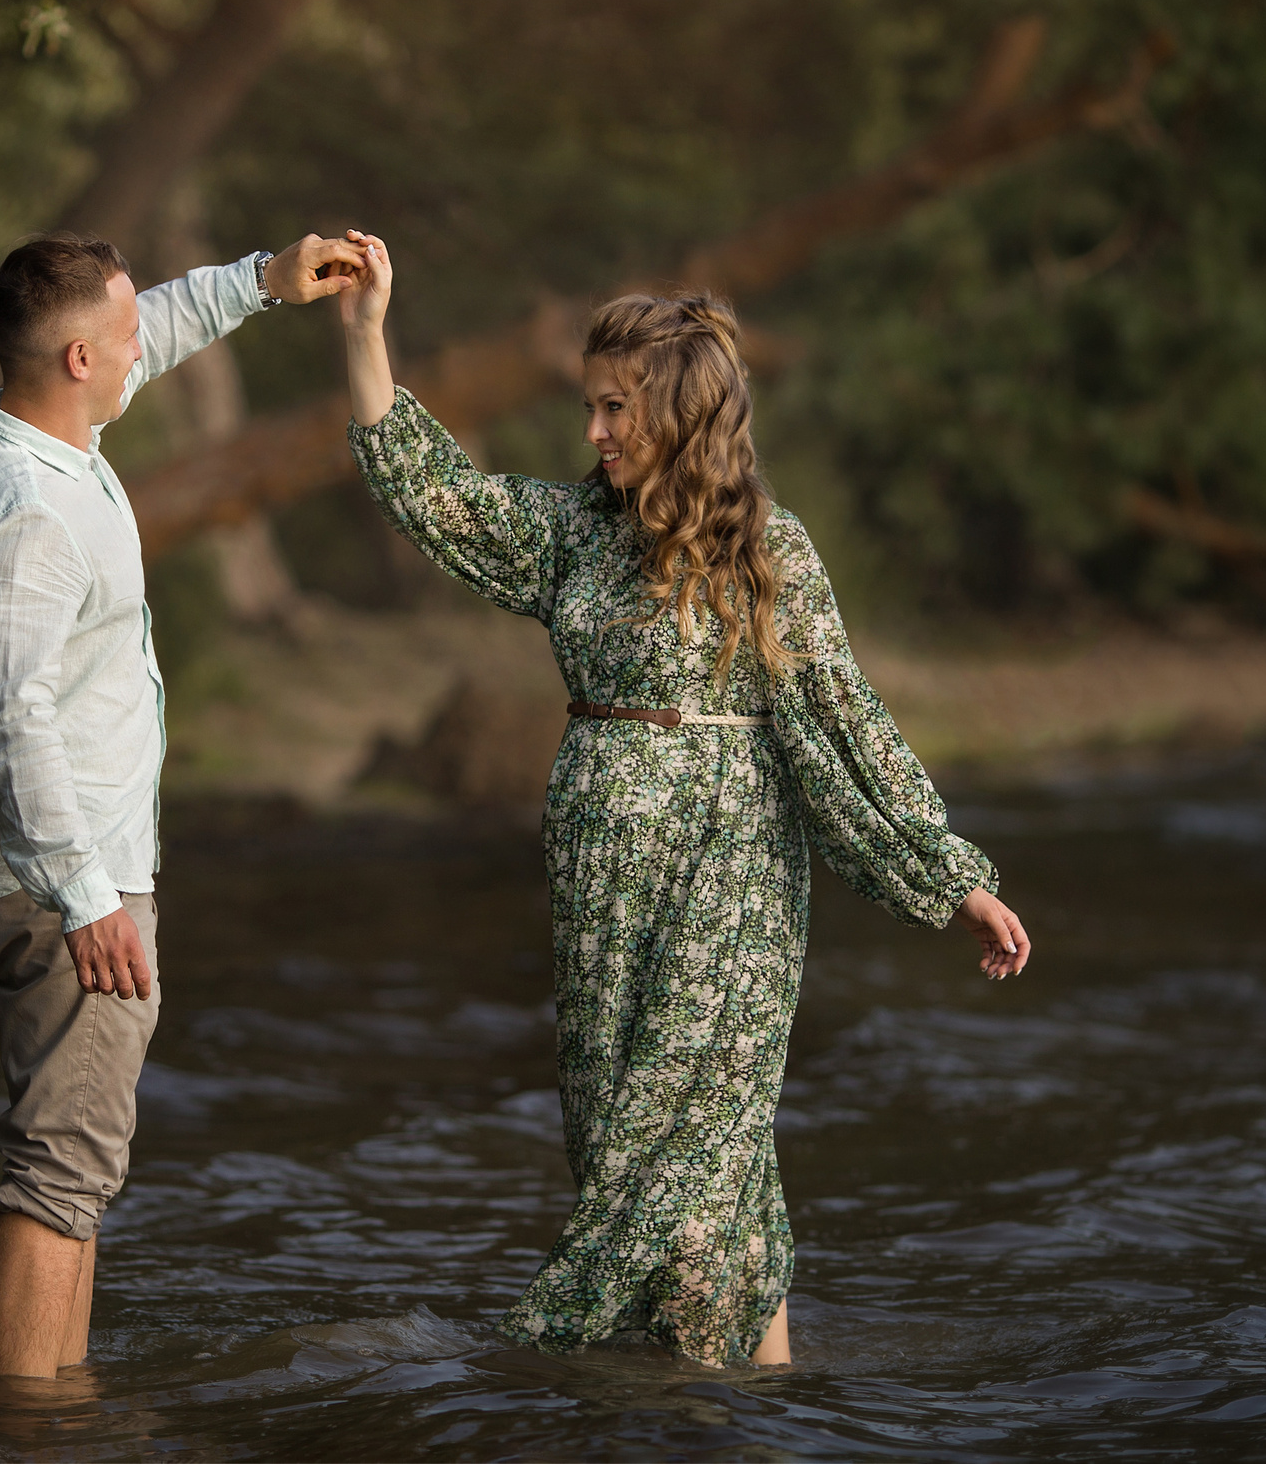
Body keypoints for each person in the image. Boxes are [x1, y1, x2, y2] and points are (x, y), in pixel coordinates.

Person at [334, 232, 1032, 1368]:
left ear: (679, 408)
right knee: (637, 1146)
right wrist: (365, 332)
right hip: (602, 880)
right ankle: (756, 1393)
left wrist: (950, 875)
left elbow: (842, 723)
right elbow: (434, 494)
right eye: (590, 408)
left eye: (614, 408)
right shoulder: (572, 534)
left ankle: (535, 1362)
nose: (594, 433)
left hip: (734, 871)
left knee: (690, 1152)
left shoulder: (770, 554)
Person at [0, 228, 361, 1377]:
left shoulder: (19, 422)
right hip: (61, 887)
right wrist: (87, 899)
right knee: (61, 1175)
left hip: (42, 873)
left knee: (72, 1170)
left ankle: (58, 1408)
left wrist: (264, 281)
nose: (137, 353)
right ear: (75, 359)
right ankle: (31, 1429)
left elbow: (144, 327)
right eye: (118, 341)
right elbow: (12, 720)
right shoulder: (28, 517)